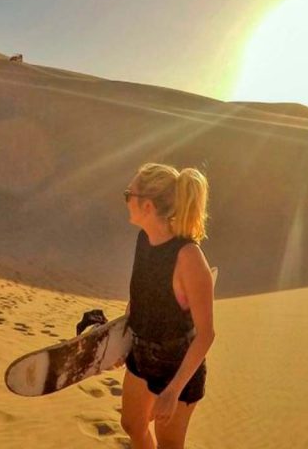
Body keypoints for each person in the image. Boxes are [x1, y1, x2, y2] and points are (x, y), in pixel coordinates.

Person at [120, 163, 215, 449]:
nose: (126, 200)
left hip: (178, 367)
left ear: (147, 206)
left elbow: (206, 334)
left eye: (129, 194)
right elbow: (139, 298)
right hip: (141, 354)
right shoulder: (144, 240)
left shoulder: (189, 257)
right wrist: (121, 343)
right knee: (133, 425)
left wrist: (173, 391)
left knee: (170, 445)